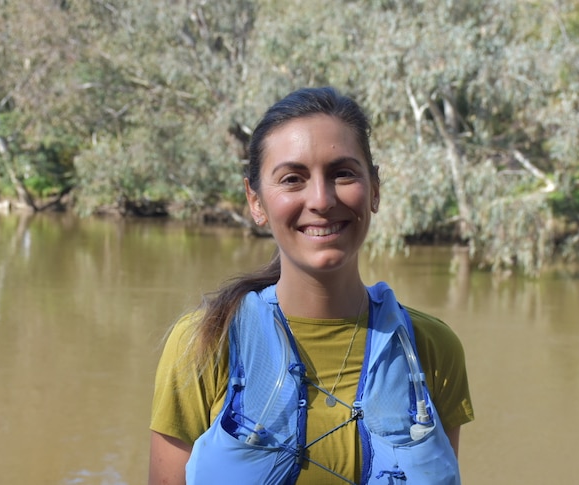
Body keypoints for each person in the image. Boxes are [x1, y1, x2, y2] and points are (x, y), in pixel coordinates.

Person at [149, 87, 474, 485]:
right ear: (256, 201)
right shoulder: (205, 343)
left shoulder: (431, 349)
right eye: (292, 179)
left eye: (343, 173)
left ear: (374, 189)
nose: (320, 199)